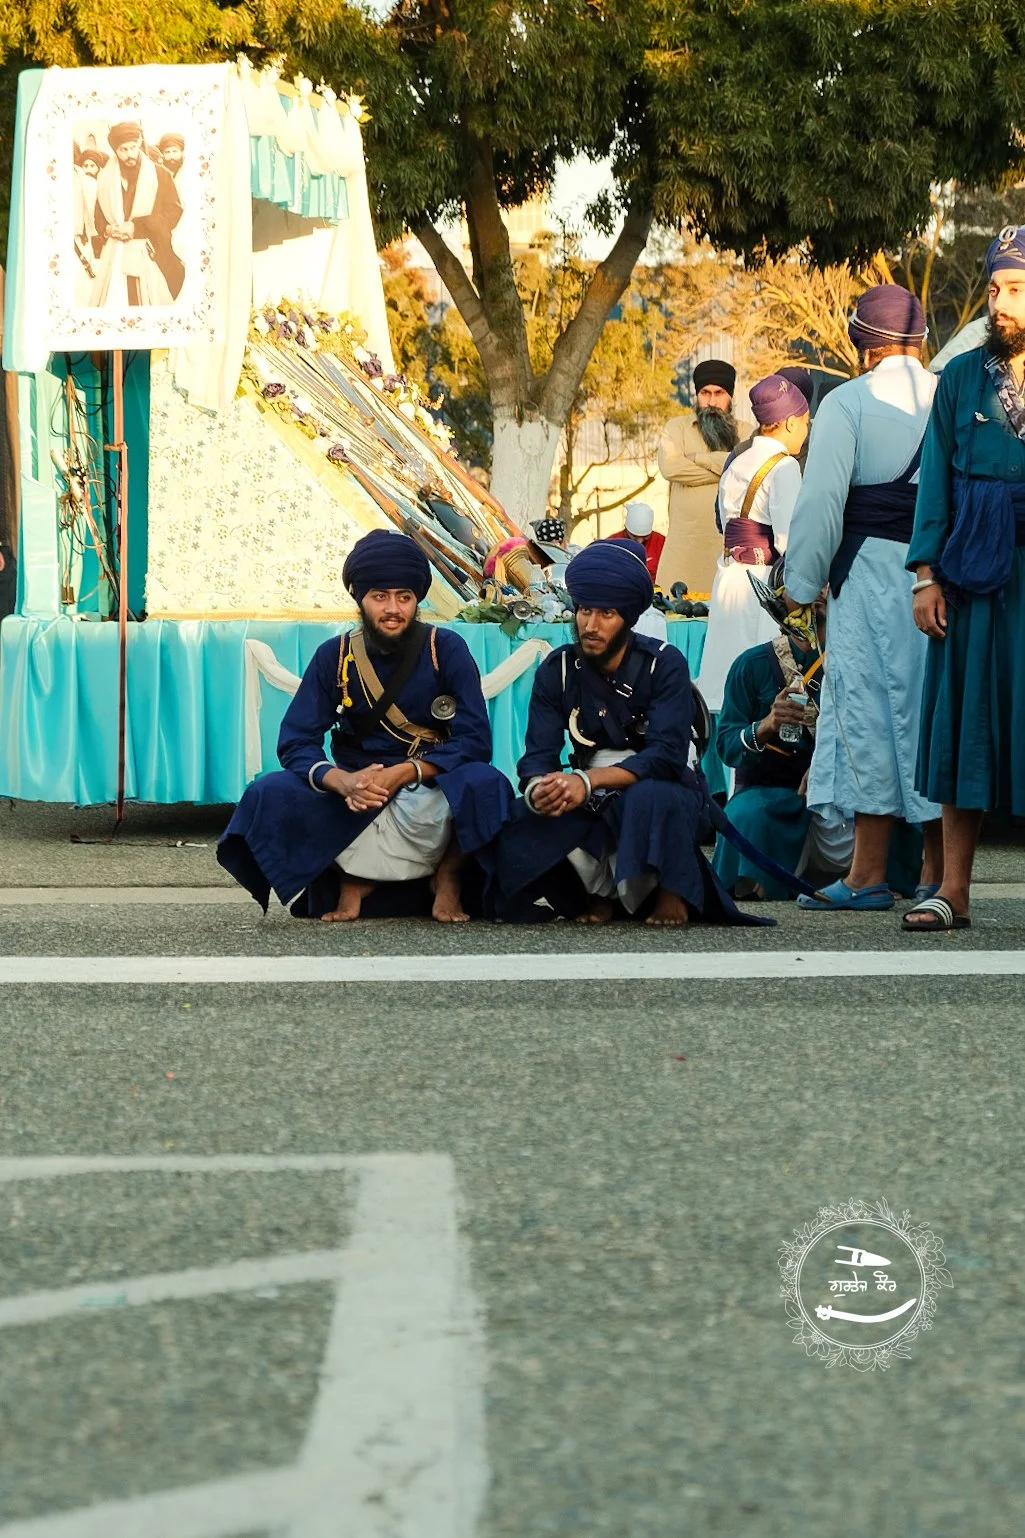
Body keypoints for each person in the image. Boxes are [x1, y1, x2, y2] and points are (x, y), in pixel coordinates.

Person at [217, 530, 513, 922]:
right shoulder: (334, 656)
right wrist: (338, 780)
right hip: (356, 789)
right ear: (361, 599)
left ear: (416, 600)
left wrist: (406, 772)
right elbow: (296, 741)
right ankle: (350, 880)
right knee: (268, 792)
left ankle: (448, 876)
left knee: (486, 785)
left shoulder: (447, 650)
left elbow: (475, 740)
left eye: (404, 598)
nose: (393, 609)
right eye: (380, 597)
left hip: (427, 780)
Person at [487, 539, 766, 927]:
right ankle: (595, 895)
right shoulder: (558, 669)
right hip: (590, 788)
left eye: (607, 613)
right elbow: (537, 756)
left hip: (660, 781)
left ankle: (673, 891)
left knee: (652, 798)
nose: (591, 624)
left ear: (629, 618)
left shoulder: (663, 664)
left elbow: (667, 755)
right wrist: (541, 788)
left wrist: (588, 780)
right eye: (585, 610)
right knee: (521, 816)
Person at [784, 283, 943, 913]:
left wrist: (799, 584)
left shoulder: (847, 402)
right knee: (932, 714)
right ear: (920, 339)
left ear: (860, 342)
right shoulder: (951, 395)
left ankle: (866, 873)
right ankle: (937, 872)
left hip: (873, 574)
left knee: (868, 715)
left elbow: (822, 504)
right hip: (939, 578)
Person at [903, 226, 1025, 931]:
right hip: (972, 571)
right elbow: (934, 486)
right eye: (993, 290)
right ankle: (951, 888)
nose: (998, 304)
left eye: (1013, 291)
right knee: (964, 723)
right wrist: (925, 574)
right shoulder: (959, 378)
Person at [712, 563, 856, 899]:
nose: (817, 595)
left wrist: (824, 768)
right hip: (771, 792)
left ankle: (873, 881)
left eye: (825, 586)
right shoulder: (752, 665)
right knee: (746, 813)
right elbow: (726, 744)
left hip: (843, 792)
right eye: (805, 587)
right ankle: (755, 886)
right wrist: (765, 727)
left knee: (892, 811)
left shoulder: (854, 660)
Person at [695, 373, 809, 713]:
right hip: (762, 588)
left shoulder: (736, 461)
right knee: (760, 690)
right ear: (788, 422)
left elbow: (724, 523)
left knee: (724, 685)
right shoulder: (784, 466)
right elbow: (792, 544)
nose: (806, 431)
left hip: (728, 579)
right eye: (804, 423)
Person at [657, 359, 755, 592]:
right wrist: (726, 468)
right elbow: (670, 468)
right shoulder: (676, 428)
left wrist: (698, 458)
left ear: (730, 396)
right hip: (682, 553)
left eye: (719, 393)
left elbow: (746, 469)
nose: (711, 401)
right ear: (697, 395)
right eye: (705, 393)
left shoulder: (747, 432)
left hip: (730, 553)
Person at [89, 121, 185, 308]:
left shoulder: (160, 174)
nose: (130, 155)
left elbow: (174, 212)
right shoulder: (105, 178)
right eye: (123, 150)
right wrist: (107, 229)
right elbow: (98, 215)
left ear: (140, 142)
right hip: (114, 255)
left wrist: (137, 228)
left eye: (133, 148)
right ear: (115, 150)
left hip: (150, 253)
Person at [608, 501, 665, 581]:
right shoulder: (612, 543)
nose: (640, 541)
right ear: (626, 528)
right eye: (634, 536)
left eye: (645, 537)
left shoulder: (661, 543)